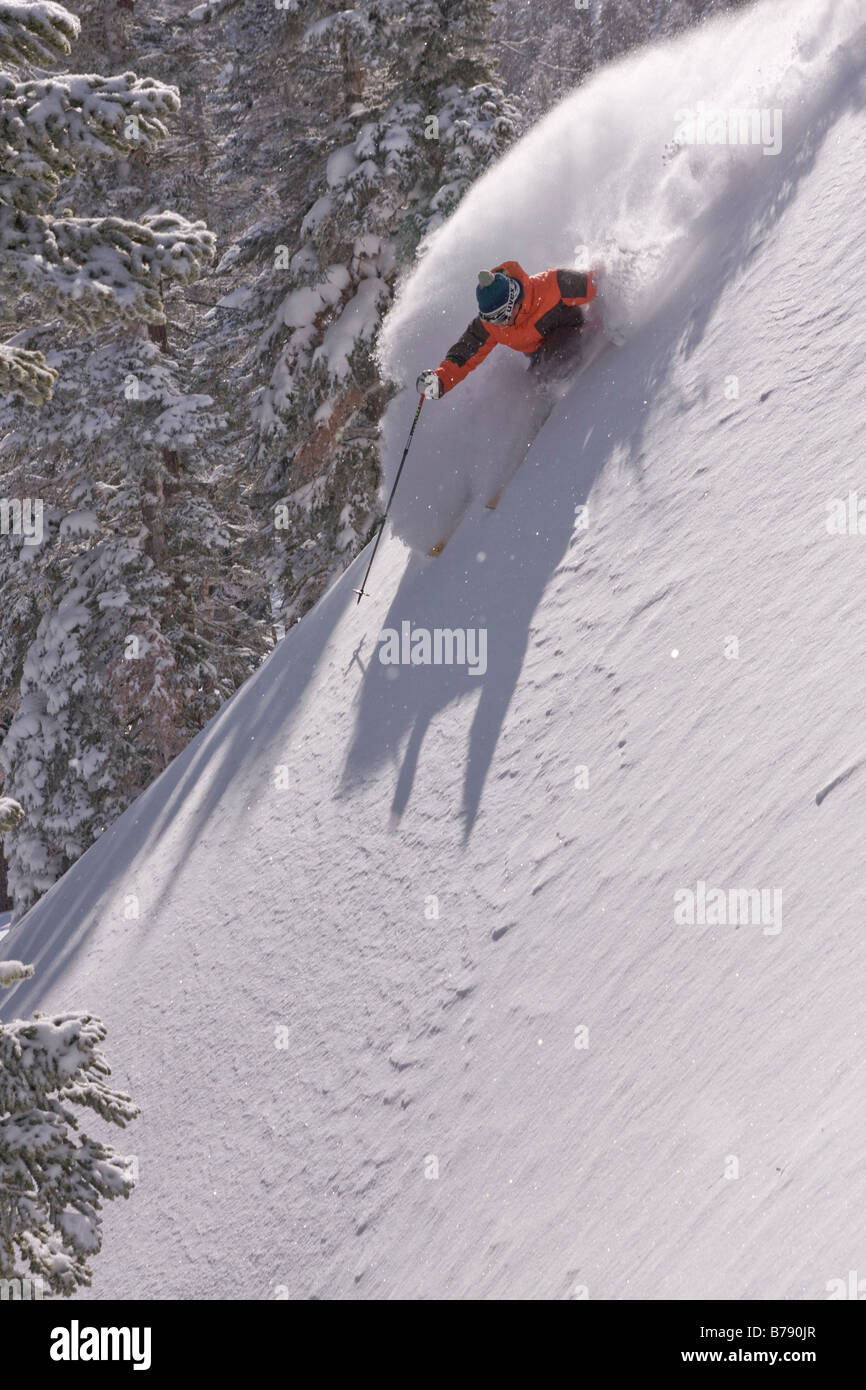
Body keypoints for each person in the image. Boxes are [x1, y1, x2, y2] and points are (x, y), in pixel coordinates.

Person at [416, 259, 599, 399]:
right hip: (541, 357)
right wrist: (440, 382)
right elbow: (464, 354)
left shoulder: (553, 285)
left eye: (502, 316)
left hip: (576, 333)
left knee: (556, 362)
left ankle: (576, 399)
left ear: (513, 300)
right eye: (492, 319)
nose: (500, 323)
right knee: (533, 385)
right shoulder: (492, 327)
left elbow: (597, 284)